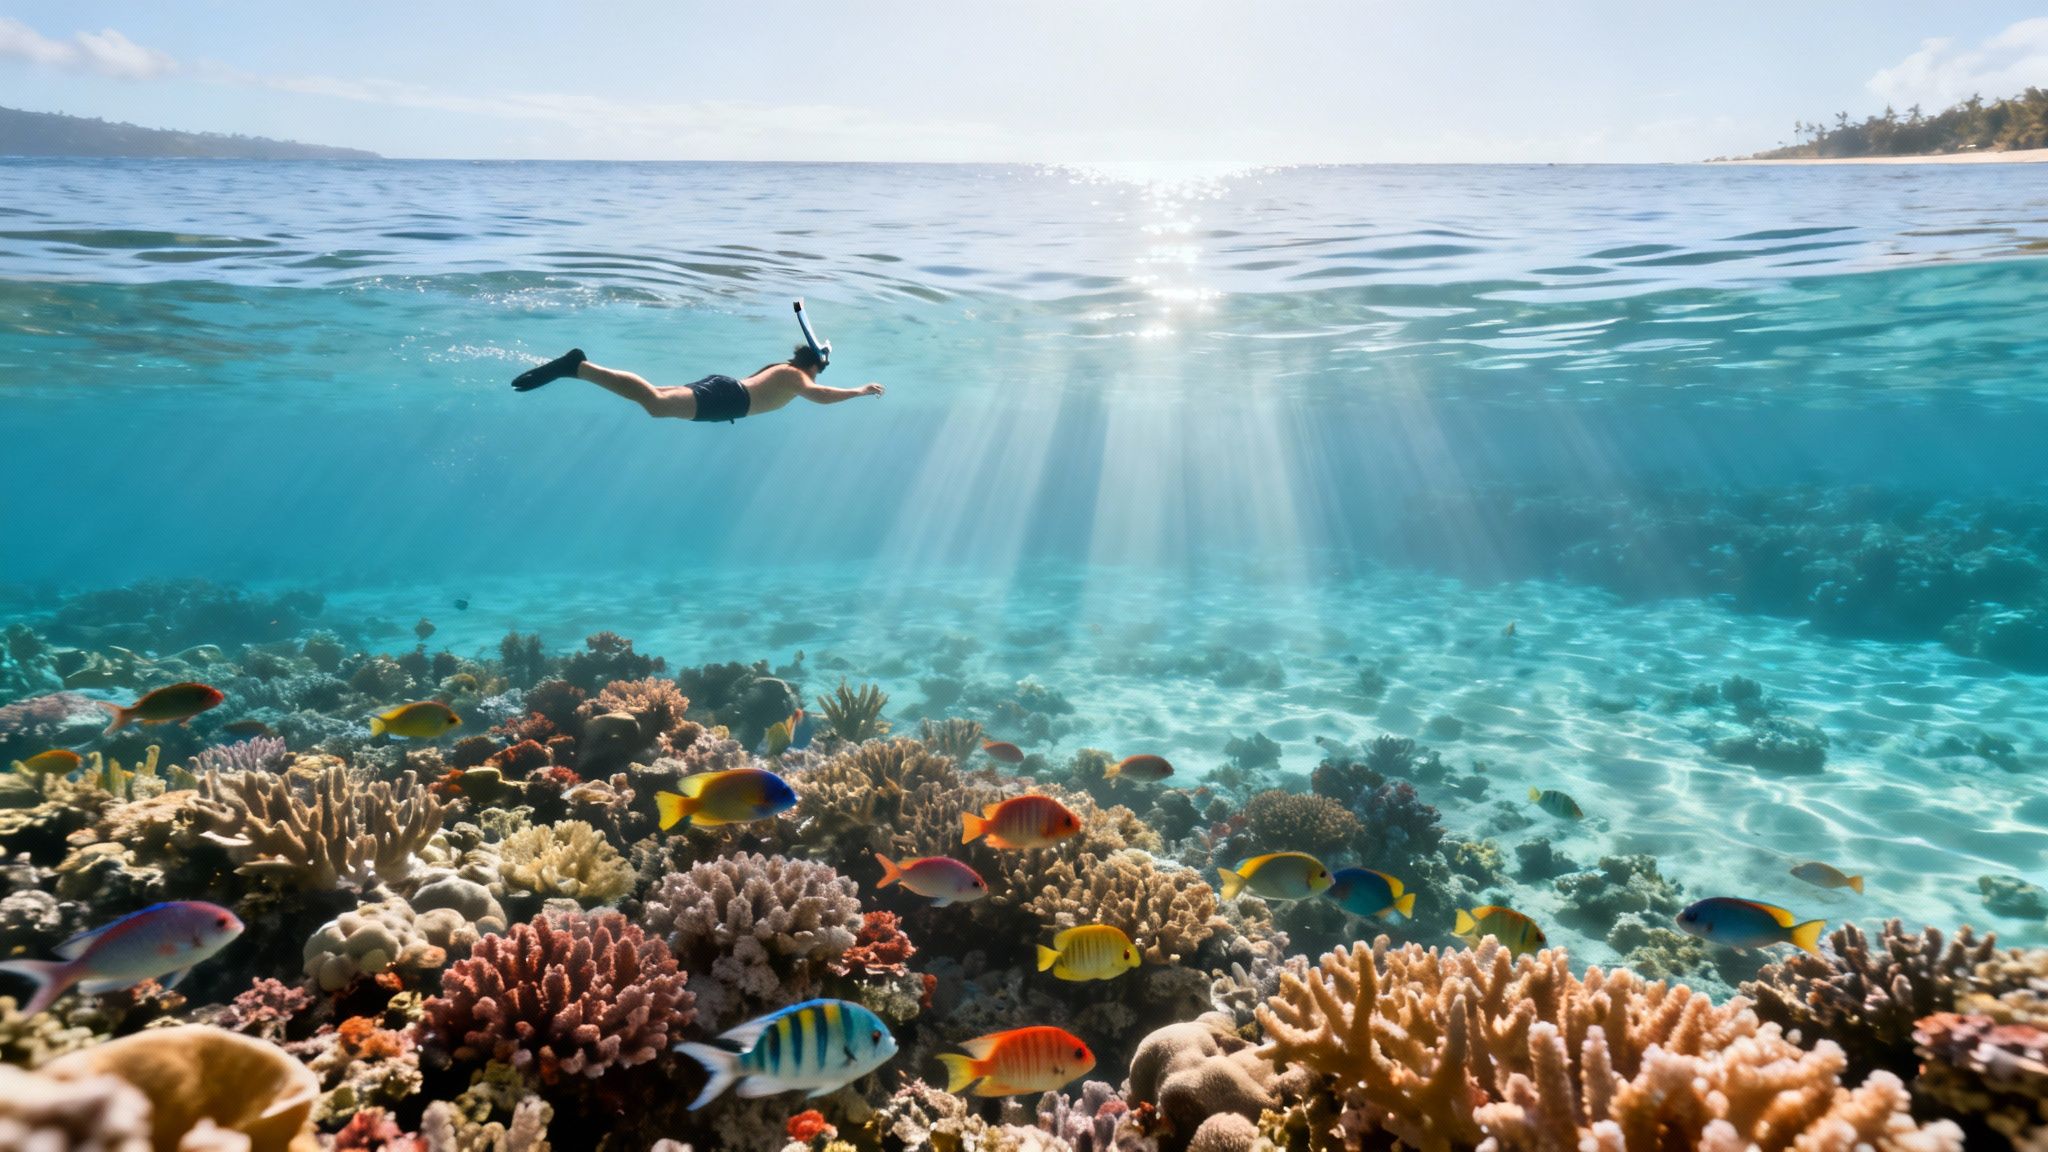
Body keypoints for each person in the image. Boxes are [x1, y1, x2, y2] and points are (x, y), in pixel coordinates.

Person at [510, 344, 882, 422]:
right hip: (727, 398)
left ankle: (578, 369)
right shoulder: (795, 375)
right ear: (815, 365)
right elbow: (821, 395)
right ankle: (579, 367)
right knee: (655, 402)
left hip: (726, 394)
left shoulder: (786, 370)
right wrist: (859, 391)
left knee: (656, 400)